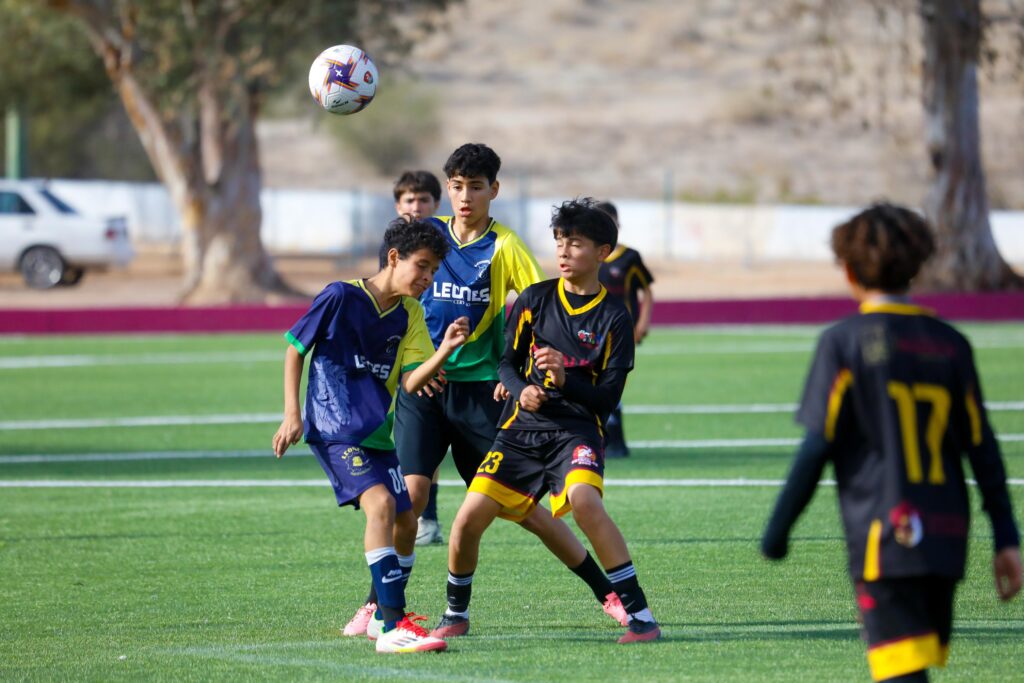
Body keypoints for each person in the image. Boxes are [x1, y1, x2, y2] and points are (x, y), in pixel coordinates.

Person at [343, 144, 628, 639]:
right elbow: (393, 296)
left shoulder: (506, 247)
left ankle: (607, 593)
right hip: (424, 392)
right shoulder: (425, 237)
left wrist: (513, 377)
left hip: (483, 396)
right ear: (446, 189)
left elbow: (544, 313)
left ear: (494, 190)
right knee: (408, 500)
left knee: (529, 513)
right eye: (456, 186)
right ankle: (383, 609)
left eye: (476, 187)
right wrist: (411, 364)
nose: (465, 196)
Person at [761, 203, 1022, 682]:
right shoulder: (951, 343)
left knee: (901, 674)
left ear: (849, 269)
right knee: (912, 666)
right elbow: (982, 448)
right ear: (918, 265)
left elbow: (817, 447)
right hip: (946, 536)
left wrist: (778, 530)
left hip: (886, 534)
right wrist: (1007, 536)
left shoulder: (843, 342)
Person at [431, 198, 661, 644]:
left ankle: (641, 617)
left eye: (576, 243)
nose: (564, 251)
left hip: (575, 430)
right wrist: (523, 390)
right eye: (559, 241)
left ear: (604, 252)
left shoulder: (614, 317)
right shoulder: (535, 300)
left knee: (586, 504)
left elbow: (607, 400)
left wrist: (563, 378)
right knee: (467, 520)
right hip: (520, 431)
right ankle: (455, 612)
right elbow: (506, 364)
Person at [272, 217, 471, 654]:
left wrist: (443, 352)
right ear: (395, 257)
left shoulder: (410, 313)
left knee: (406, 520)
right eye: (422, 266)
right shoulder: (341, 296)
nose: (428, 278)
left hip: (377, 433)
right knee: (380, 505)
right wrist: (292, 414)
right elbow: (294, 348)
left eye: (435, 271)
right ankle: (395, 625)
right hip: (333, 428)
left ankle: (382, 617)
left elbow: (412, 383)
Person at [387, 170, 447, 546]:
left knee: (431, 446)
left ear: (435, 205)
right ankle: (421, 517)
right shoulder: (393, 246)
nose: (416, 206)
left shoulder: (448, 244)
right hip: (409, 359)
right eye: (409, 200)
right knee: (413, 446)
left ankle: (430, 516)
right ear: (398, 205)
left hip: (443, 357)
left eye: (423, 199)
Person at [595, 200, 654, 458]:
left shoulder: (630, 257)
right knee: (596, 381)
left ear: (618, 224)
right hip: (594, 332)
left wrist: (642, 323)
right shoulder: (590, 256)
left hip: (623, 333)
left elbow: (647, 291)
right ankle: (601, 439)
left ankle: (616, 441)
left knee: (614, 381)